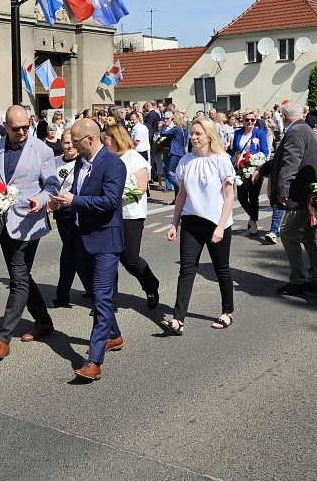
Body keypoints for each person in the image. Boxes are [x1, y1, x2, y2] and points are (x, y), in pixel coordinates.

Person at [47, 119, 125, 381]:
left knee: (102, 297)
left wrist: (75, 200)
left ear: (90, 139)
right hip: (81, 238)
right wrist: (64, 204)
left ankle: (93, 361)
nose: (72, 147)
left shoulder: (114, 164)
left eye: (76, 142)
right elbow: (78, 198)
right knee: (95, 295)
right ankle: (113, 335)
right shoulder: (80, 164)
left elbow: (110, 202)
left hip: (105, 241)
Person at [0, 105, 60, 360]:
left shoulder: (42, 149)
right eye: (16, 128)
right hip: (3, 222)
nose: (23, 132)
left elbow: (52, 184)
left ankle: (2, 339)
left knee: (18, 279)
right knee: (22, 276)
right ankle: (43, 321)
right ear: (5, 126)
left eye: (27, 126)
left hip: (29, 221)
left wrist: (41, 198)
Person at [162, 118, 237, 333]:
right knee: (186, 269)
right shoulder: (185, 161)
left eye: (198, 134)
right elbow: (181, 195)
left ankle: (227, 312)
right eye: (192, 134)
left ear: (209, 136)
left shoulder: (221, 160)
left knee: (221, 268)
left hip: (216, 222)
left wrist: (221, 226)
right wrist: (174, 224)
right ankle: (178, 319)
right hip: (191, 222)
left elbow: (229, 197)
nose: (194, 137)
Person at [103, 123, 159, 309]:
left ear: (116, 139)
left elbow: (141, 189)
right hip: (109, 214)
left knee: (129, 259)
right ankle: (108, 303)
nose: (104, 140)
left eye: (107, 137)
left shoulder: (135, 159)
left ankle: (151, 285)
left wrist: (117, 193)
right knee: (109, 257)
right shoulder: (106, 158)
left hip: (130, 214)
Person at [272, 101, 317, 295]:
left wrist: (283, 188)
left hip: (300, 194)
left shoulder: (295, 132)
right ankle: (316, 278)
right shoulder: (306, 129)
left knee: (287, 232)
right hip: (310, 192)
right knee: (310, 236)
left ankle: (298, 280)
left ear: (284, 118)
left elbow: (291, 162)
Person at [50, 134, 81, 309]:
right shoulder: (56, 162)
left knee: (70, 252)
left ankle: (62, 295)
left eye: (72, 142)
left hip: (77, 211)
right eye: (66, 142)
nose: (69, 146)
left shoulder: (83, 162)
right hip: (61, 213)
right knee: (73, 252)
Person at [232, 110, 270, 236]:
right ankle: (252, 216)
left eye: (252, 120)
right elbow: (234, 151)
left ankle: (253, 222)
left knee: (253, 197)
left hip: (255, 169)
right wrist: (234, 161)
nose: (249, 122)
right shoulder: (237, 133)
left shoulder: (259, 133)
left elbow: (265, 151)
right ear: (243, 120)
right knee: (242, 197)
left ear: (256, 120)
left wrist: (255, 162)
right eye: (247, 120)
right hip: (241, 169)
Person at [159, 111, 187, 198]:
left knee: (169, 173)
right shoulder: (183, 130)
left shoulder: (176, 128)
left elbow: (162, 134)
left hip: (175, 153)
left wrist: (164, 125)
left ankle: (183, 189)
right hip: (180, 152)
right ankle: (177, 198)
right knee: (176, 175)